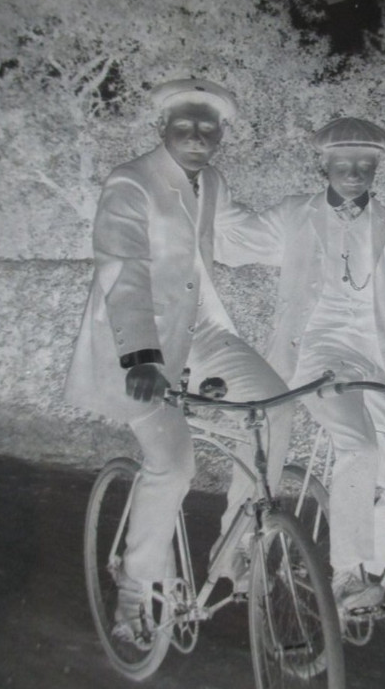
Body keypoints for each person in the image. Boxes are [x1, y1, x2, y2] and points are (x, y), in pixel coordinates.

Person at [216, 117, 385, 610]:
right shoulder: (297, 215)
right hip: (315, 357)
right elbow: (234, 242)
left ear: (377, 166)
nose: (354, 173)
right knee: (358, 448)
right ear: (325, 164)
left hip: (378, 366)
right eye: (343, 163)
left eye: (365, 164)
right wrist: (204, 186)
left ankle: (351, 571)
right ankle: (345, 575)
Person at [65, 78, 292, 646]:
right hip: (137, 349)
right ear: (162, 128)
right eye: (184, 127)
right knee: (173, 464)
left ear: (221, 135)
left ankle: (236, 552)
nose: (197, 138)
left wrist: (317, 224)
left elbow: (247, 238)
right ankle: (135, 593)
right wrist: (143, 357)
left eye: (208, 128)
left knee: (276, 406)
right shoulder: (130, 182)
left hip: (201, 333)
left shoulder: (210, 182)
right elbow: (124, 270)